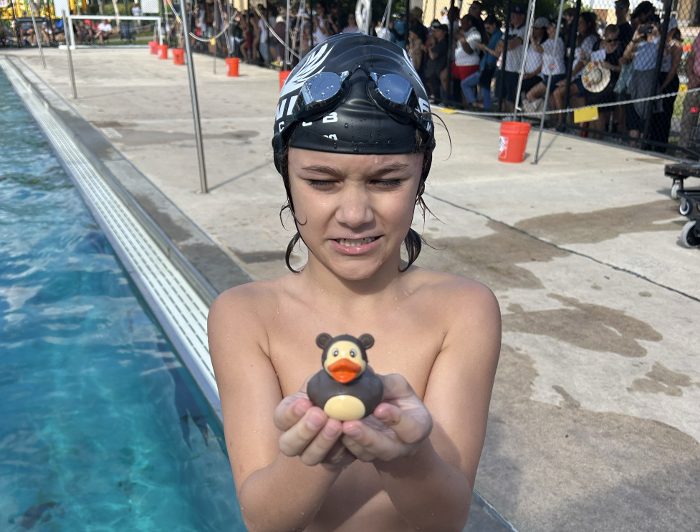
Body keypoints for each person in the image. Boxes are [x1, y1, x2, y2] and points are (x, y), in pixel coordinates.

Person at [208, 33, 501, 532]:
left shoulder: (462, 311)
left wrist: (403, 454)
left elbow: (447, 517)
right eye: (322, 182)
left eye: (387, 181)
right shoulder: (245, 317)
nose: (355, 213)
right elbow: (263, 519)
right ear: (287, 177)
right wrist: (324, 447)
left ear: (421, 177)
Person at [571, 24, 624, 139]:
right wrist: (584, 58)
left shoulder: (620, 48)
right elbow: (589, 64)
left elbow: (623, 68)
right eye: (610, 40)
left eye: (615, 39)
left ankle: (598, 138)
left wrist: (611, 67)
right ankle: (585, 135)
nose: (612, 43)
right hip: (595, 81)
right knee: (588, 108)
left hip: (610, 83)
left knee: (598, 111)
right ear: (604, 37)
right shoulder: (597, 45)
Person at [550, 11, 599, 120]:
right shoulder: (578, 38)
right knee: (573, 103)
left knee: (557, 93)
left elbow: (581, 62)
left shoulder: (590, 39)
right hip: (576, 76)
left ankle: (561, 122)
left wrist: (568, 78)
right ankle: (573, 125)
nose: (578, 25)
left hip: (584, 76)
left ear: (589, 24)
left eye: (581, 23)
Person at [524, 18, 566, 112]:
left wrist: (530, 36)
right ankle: (551, 118)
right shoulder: (549, 41)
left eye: (551, 26)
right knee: (551, 102)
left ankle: (543, 114)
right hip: (548, 74)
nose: (548, 27)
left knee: (530, 94)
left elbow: (537, 48)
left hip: (555, 75)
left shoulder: (557, 42)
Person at [465, 14, 502, 109]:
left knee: (484, 89)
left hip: (489, 66)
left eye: (488, 28)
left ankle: (483, 107)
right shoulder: (493, 35)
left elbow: (496, 53)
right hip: (485, 65)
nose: (487, 30)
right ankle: (481, 106)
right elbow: (490, 51)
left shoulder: (498, 35)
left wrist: (485, 48)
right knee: (484, 89)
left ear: (494, 25)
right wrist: (483, 48)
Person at [495, 5, 527, 112]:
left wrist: (504, 44)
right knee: (501, 96)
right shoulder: (508, 30)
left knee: (512, 98)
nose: (512, 17)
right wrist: (505, 44)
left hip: (514, 69)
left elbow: (512, 45)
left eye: (515, 15)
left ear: (522, 17)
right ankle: (501, 115)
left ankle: (513, 117)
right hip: (503, 67)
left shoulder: (523, 30)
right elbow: (498, 48)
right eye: (512, 14)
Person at [679, 34, 700, 154]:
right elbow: (691, 57)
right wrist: (691, 77)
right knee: (689, 117)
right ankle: (683, 151)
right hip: (695, 84)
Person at [423, 23, 448, 100]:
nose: (436, 33)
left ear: (444, 32)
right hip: (432, 69)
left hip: (438, 68)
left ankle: (440, 99)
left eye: (438, 31)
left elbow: (433, 56)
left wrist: (430, 49)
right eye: (436, 31)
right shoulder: (437, 42)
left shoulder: (443, 43)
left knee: (436, 84)